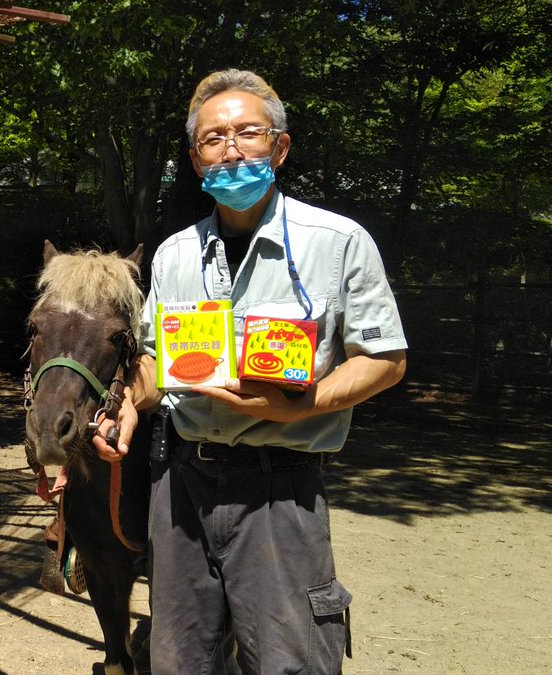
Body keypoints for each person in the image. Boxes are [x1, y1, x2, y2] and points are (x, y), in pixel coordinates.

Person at [92, 69, 408, 673]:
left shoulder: (337, 243)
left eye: (248, 133)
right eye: (214, 139)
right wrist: (129, 407)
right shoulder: (176, 253)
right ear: (194, 158)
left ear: (280, 147)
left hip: (282, 490)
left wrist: (303, 404)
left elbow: (385, 361)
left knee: (289, 661)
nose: (231, 149)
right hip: (181, 486)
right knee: (178, 659)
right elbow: (156, 363)